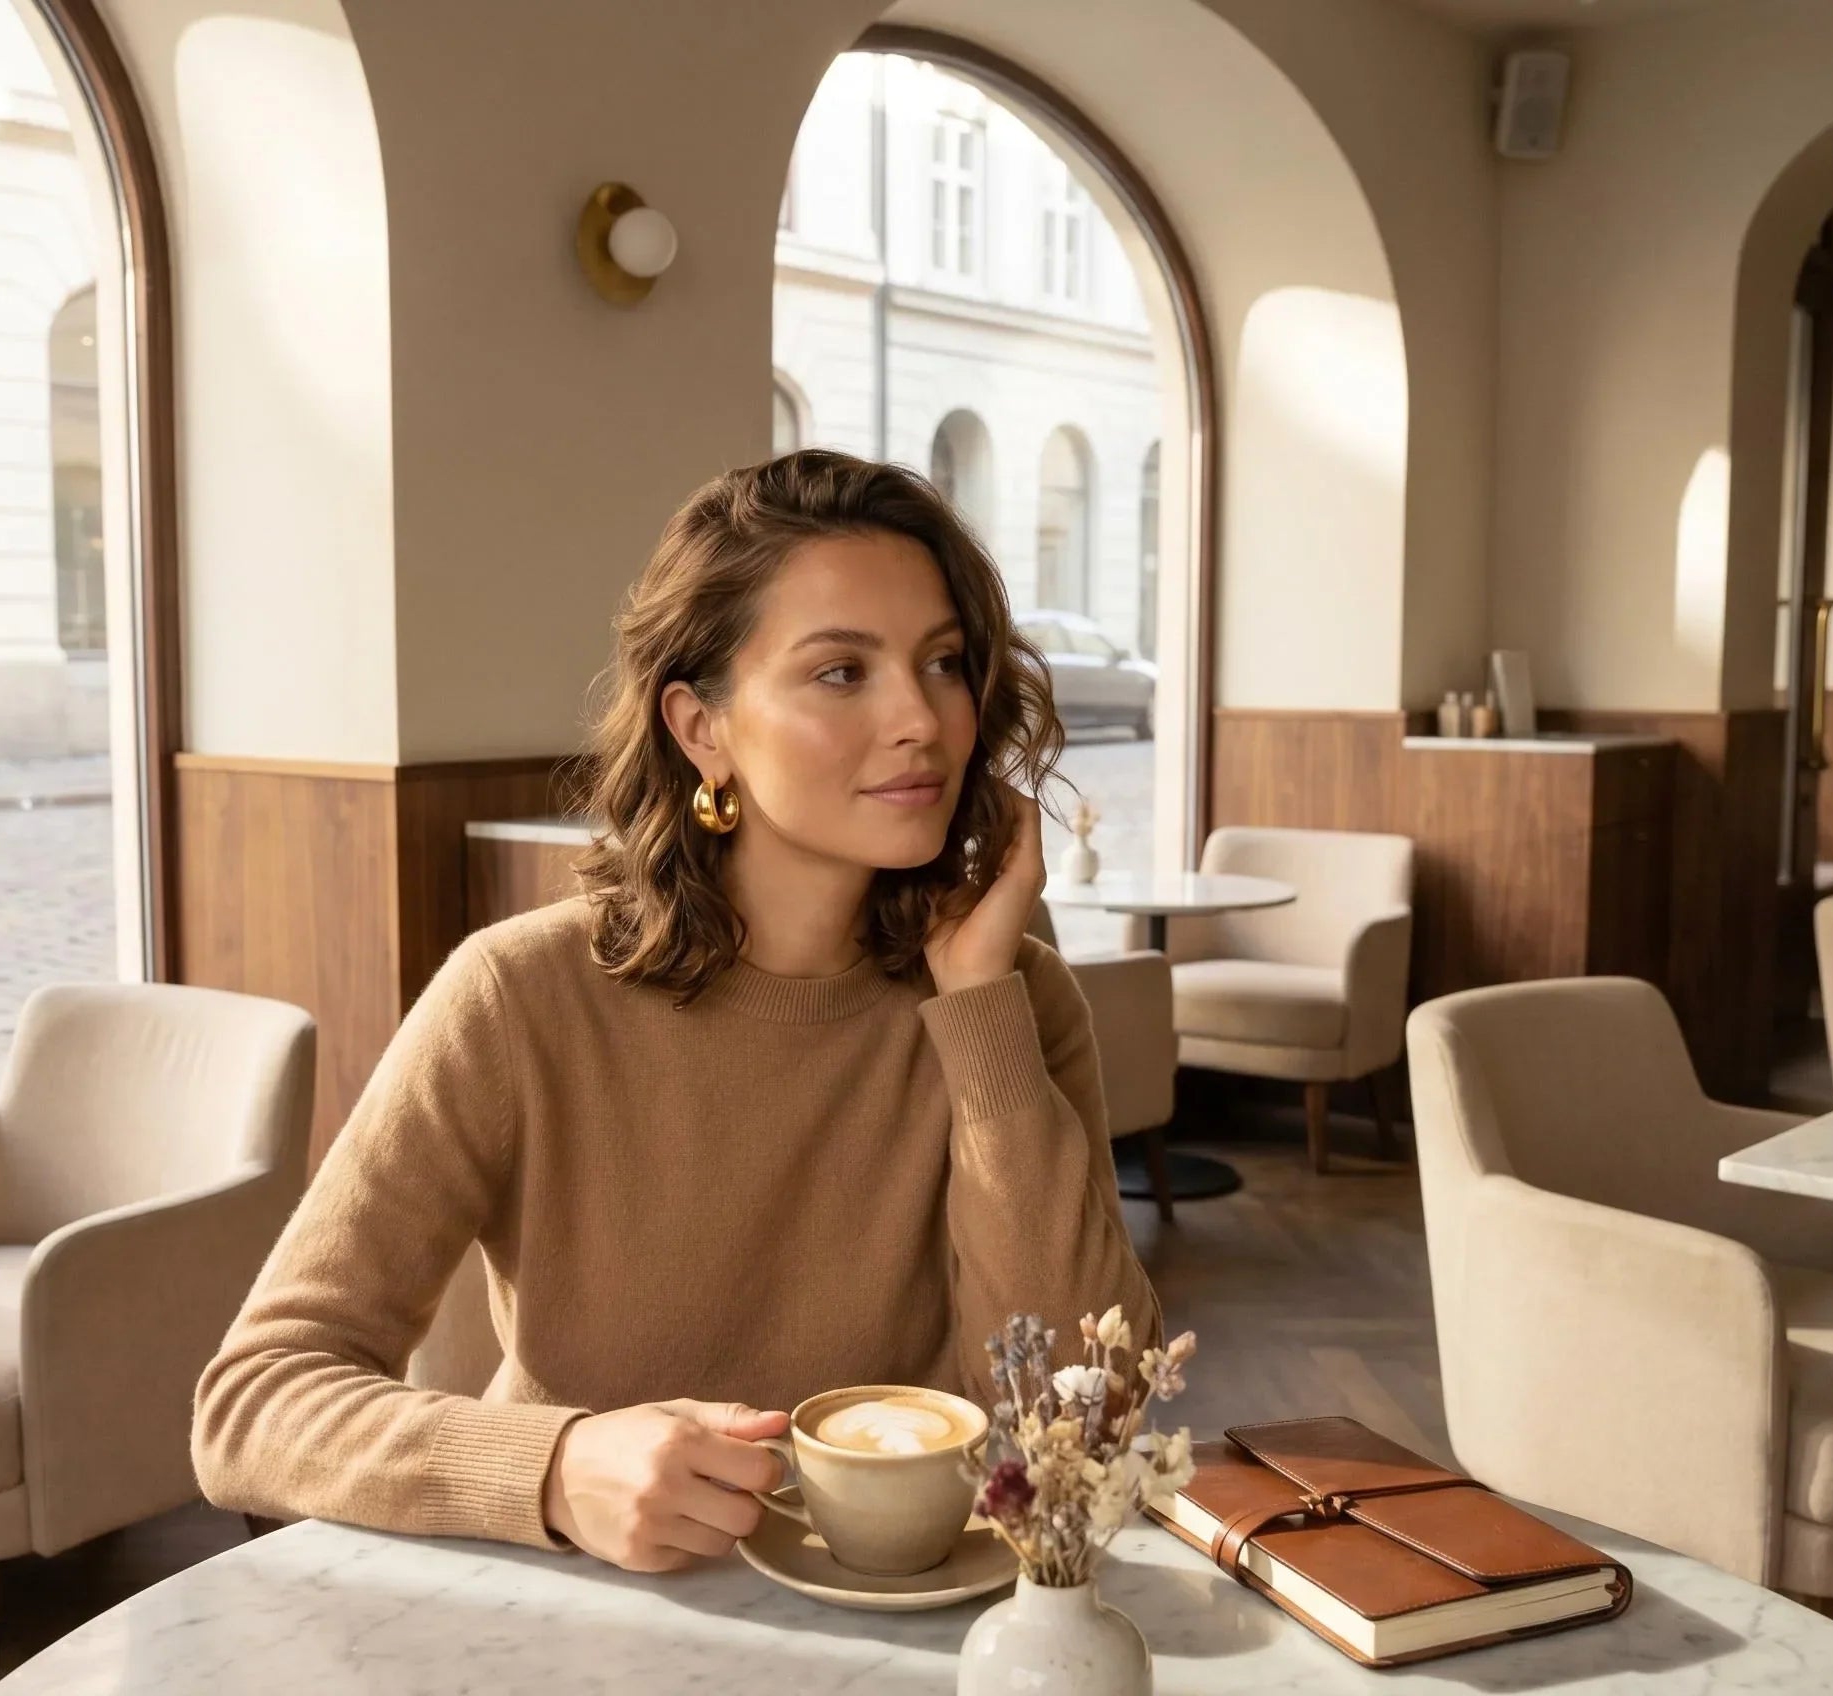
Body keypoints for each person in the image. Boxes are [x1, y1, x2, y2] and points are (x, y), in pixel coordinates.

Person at [193, 449, 1161, 1574]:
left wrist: (980, 1013)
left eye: (941, 662)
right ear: (702, 729)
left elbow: (1083, 1426)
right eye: (841, 672)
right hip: (577, 1623)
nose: (923, 721)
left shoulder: (1010, 1000)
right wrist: (552, 1468)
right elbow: (251, 1404)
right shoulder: (517, 998)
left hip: (903, 1624)